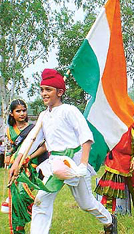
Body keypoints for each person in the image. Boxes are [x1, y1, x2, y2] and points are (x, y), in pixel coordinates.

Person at [10, 69, 116, 234]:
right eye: (42, 89)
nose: (44, 94)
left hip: (74, 162)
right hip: (54, 164)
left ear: (59, 92)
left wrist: (82, 165)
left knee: (86, 203)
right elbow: (33, 139)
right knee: (41, 201)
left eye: (48, 90)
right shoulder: (44, 115)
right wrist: (17, 161)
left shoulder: (69, 110)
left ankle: (109, 221)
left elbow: (86, 137)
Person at [4, 99, 47, 234]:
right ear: (12, 114)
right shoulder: (9, 131)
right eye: (18, 111)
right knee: (16, 198)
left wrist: (28, 158)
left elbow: (44, 147)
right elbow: (10, 147)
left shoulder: (34, 128)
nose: (22, 113)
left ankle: (33, 210)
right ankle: (19, 228)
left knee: (23, 195)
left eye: (23, 110)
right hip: (15, 166)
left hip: (31, 166)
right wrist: (8, 155)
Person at [95, 120, 134, 215]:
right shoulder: (111, 122)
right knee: (110, 187)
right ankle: (107, 213)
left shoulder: (131, 124)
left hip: (129, 160)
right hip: (114, 160)